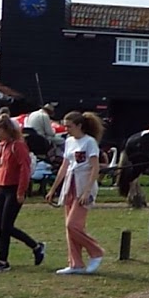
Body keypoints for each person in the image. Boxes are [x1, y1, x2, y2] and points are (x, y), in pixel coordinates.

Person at [0, 118, 47, 273]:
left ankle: (35, 246)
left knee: (6, 226)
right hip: (3, 188)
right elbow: (2, 168)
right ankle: (3, 259)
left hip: (14, 188)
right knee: (1, 227)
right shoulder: (2, 146)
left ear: (7, 130)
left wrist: (21, 191)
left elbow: (24, 169)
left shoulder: (18, 146)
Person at [49, 111, 106, 274]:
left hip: (84, 185)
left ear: (79, 126)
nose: (67, 129)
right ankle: (76, 263)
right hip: (70, 185)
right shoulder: (69, 141)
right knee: (70, 228)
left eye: (69, 126)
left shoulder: (89, 142)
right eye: (65, 126)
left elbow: (95, 167)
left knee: (73, 225)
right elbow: (65, 166)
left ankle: (96, 251)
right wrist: (54, 188)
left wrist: (87, 191)